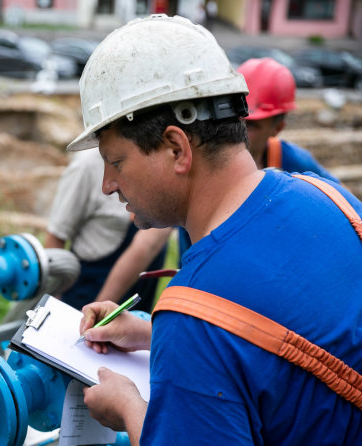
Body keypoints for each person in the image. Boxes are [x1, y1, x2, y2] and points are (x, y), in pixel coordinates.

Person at [67, 15, 362, 446]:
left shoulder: (197, 320)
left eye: (116, 163)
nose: (108, 185)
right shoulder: (332, 200)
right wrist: (150, 332)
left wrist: (129, 408)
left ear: (175, 149)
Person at [98, 56, 343, 296]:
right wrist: (103, 301)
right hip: (204, 288)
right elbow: (147, 244)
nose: (240, 128)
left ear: (277, 127)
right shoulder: (201, 168)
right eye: (239, 118)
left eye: (253, 125)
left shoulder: (293, 164)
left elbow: (342, 212)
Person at [45, 149, 167, 312]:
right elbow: (56, 237)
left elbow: (148, 245)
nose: (107, 186)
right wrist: (54, 305)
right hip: (88, 290)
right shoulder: (86, 165)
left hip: (137, 296)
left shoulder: (159, 160)